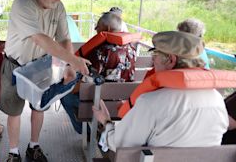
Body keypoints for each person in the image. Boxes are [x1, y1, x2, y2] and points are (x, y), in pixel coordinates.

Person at [0, 0, 90, 162]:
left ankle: (34, 146)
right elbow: (39, 39)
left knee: (39, 107)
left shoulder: (59, 7)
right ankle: (13, 152)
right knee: (14, 111)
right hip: (15, 65)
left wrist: (68, 65)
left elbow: (65, 38)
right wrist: (75, 61)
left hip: (41, 66)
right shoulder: (23, 4)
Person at [93, 31, 228, 152]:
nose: (152, 60)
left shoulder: (150, 102)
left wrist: (106, 122)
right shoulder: (217, 99)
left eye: (155, 54)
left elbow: (119, 143)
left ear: (170, 59)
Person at [61, 12, 137, 134]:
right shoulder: (131, 49)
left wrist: (68, 88)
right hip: (124, 102)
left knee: (66, 97)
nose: (96, 29)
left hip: (101, 104)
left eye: (98, 26)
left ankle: (90, 134)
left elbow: (85, 81)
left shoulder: (99, 51)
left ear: (106, 29)